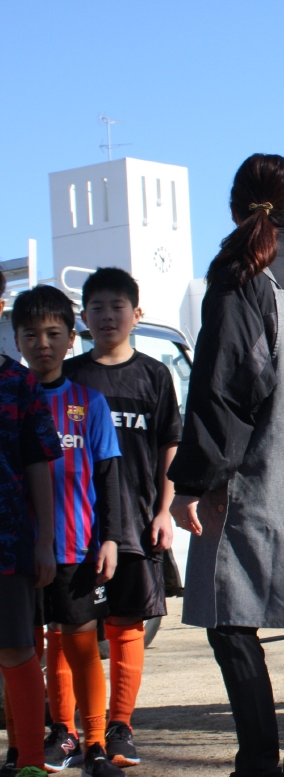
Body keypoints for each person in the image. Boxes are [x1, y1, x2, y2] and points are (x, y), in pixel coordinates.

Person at [168, 154, 284, 777]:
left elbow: (223, 389)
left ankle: (259, 761)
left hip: (251, 474)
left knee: (229, 619)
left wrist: (193, 481)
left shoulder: (240, 278)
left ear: (234, 208)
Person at [62, 267, 182, 768]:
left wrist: (165, 510)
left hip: (137, 521)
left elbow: (169, 445)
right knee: (69, 629)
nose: (108, 316)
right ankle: (68, 730)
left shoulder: (154, 375)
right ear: (84, 317)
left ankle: (121, 726)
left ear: (137, 314)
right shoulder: (70, 375)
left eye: (117, 307)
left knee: (127, 624)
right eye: (97, 308)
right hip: (75, 526)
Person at [13, 288, 123, 777]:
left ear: (70, 338)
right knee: (23, 654)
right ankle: (23, 749)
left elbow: (109, 475)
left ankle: (94, 745)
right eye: (31, 335)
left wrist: (111, 538)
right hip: (16, 552)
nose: (42, 344)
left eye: (53, 334)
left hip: (76, 549)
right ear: (16, 339)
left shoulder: (88, 402)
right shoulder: (11, 397)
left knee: (81, 650)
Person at [0, 271, 63, 777]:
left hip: (8, 544)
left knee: (18, 648)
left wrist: (45, 539)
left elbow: (40, 462)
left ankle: (31, 761)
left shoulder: (18, 384)